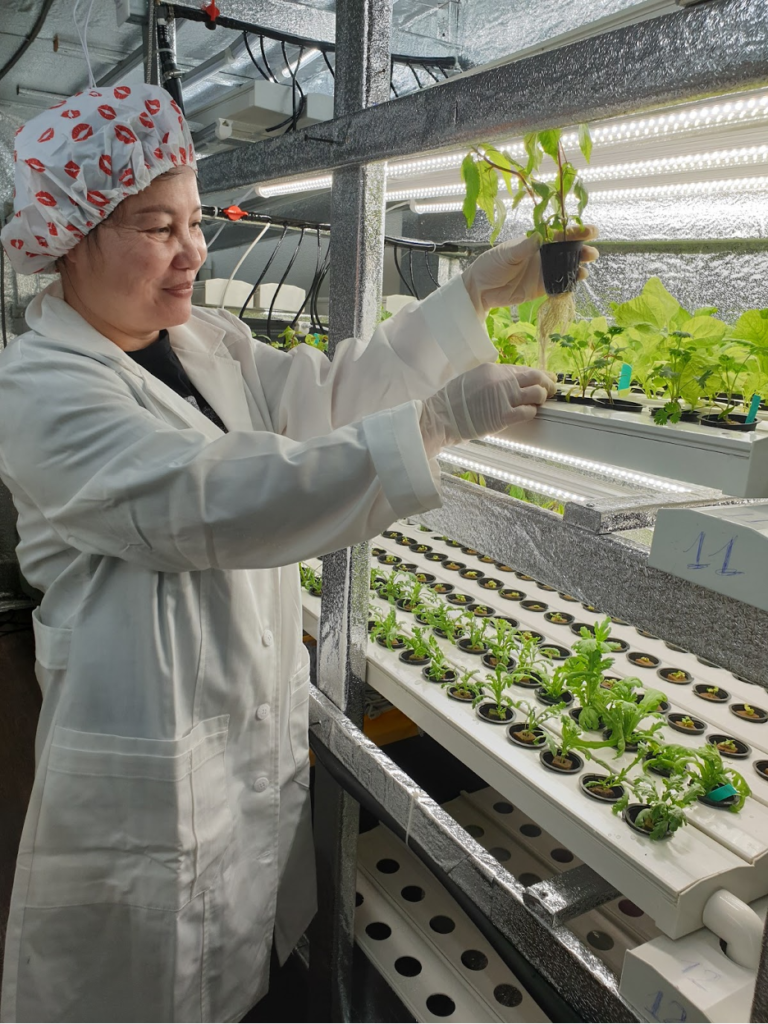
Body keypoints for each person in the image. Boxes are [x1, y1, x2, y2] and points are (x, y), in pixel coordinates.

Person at [0, 83, 597, 1024]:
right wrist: (435, 424)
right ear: (72, 237)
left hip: (231, 756)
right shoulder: (42, 392)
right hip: (145, 774)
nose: (193, 252)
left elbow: (322, 397)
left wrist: (468, 294)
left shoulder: (199, 341)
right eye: (157, 228)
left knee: (236, 977)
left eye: (194, 221)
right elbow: (219, 498)